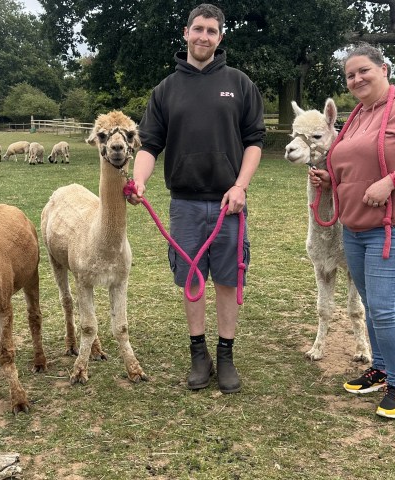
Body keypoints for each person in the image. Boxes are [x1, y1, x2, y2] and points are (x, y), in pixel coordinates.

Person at [308, 43, 395, 419]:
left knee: (385, 309)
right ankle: (382, 368)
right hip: (356, 229)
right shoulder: (358, 115)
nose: (356, 79)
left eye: (363, 71)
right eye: (350, 75)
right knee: (371, 307)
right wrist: (330, 180)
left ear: (384, 69)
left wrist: (391, 181)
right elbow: (351, 166)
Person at [128, 4, 265, 394]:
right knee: (192, 281)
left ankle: (225, 354)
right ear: (185, 33)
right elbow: (150, 145)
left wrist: (240, 186)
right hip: (184, 204)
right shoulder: (166, 90)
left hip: (229, 204)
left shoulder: (239, 83)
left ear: (220, 37)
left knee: (227, 278)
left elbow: (254, 142)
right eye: (198, 29)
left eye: (212, 31)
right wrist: (140, 180)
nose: (204, 36)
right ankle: (197, 354)